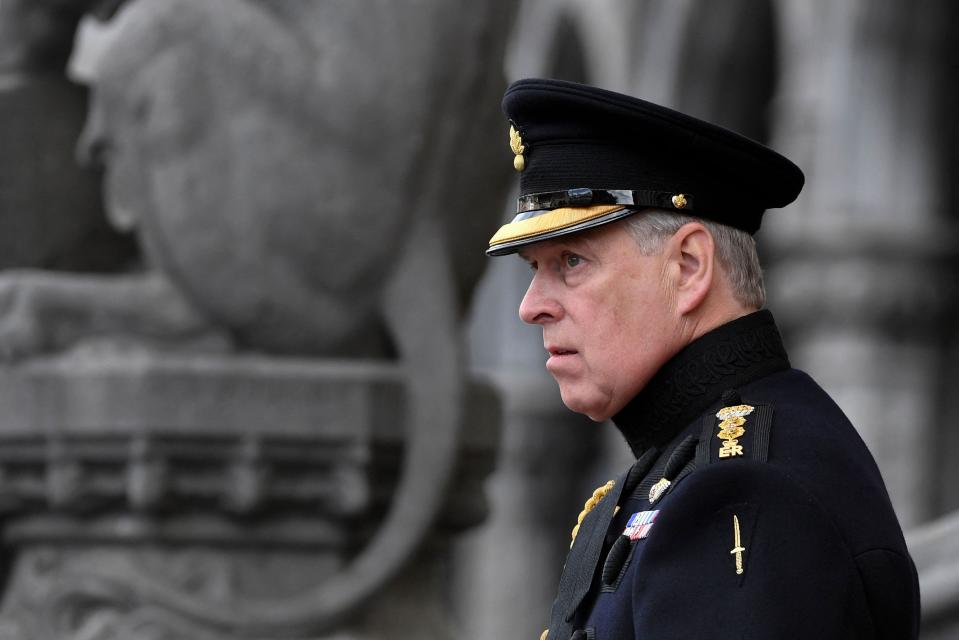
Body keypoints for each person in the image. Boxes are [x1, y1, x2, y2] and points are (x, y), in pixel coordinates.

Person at [486, 78, 920, 640]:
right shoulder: (687, 467)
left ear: (688, 267)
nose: (532, 308)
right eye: (532, 269)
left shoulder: (743, 490)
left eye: (571, 261)